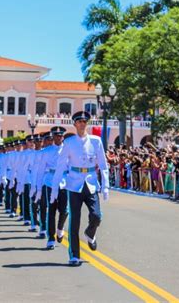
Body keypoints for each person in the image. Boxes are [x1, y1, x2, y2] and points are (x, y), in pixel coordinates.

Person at [51, 111, 109, 267]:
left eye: (85, 121)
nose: (82, 123)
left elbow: (103, 165)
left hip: (90, 183)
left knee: (96, 215)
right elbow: (61, 166)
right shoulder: (69, 143)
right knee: (74, 221)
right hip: (74, 184)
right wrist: (54, 188)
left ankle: (90, 233)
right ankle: (74, 255)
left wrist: (105, 186)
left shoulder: (96, 141)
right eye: (79, 121)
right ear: (75, 124)